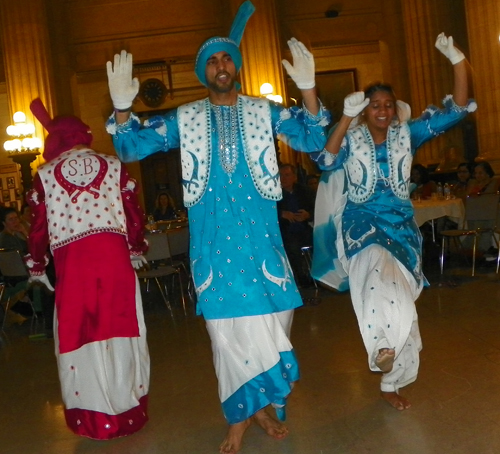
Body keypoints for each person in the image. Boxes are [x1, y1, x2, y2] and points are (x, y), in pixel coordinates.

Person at [105, 2, 329, 452]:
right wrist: (122, 109)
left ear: (237, 66)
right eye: (211, 60)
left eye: (226, 57)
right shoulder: (183, 119)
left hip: (263, 247)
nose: (220, 65)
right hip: (214, 249)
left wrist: (307, 91)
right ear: (201, 72)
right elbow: (129, 148)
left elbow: (313, 138)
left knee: (275, 325)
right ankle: (240, 418)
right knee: (225, 337)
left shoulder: (263, 112)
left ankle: (262, 404)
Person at [310, 33, 475, 411]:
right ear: (366, 110)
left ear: (394, 109)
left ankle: (391, 379)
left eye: (387, 105)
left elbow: (460, 109)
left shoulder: (408, 133)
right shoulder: (350, 140)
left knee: (403, 304)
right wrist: (346, 117)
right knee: (373, 282)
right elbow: (325, 160)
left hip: (402, 229)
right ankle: (381, 346)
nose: (382, 110)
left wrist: (458, 60)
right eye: (375, 106)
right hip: (362, 227)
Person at [25, 98, 150, 440]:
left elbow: (39, 229)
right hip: (114, 263)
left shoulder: (45, 176)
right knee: (123, 330)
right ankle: (128, 411)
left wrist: (37, 264)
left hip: (74, 267)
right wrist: (136, 247)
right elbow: (132, 213)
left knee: (81, 337)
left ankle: (95, 418)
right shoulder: (113, 166)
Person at [277, 164, 315, 287]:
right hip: (285, 231)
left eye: (287, 175)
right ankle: (301, 279)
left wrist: (307, 215)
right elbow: (265, 213)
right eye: (281, 175)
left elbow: (318, 209)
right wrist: (282, 214)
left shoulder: (305, 191)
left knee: (321, 242)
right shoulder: (274, 194)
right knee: (292, 246)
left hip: (305, 228)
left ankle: (320, 277)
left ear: (294, 177)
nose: (284, 178)